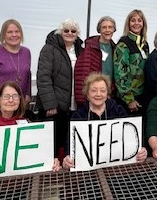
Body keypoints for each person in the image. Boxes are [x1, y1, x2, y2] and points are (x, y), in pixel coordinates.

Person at [62, 73, 147, 169]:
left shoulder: (118, 110)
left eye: (102, 91)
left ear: (107, 94)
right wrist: (67, 160)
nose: (98, 94)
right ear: (87, 94)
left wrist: (141, 151)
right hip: (88, 171)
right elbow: (69, 145)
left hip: (116, 169)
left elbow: (131, 138)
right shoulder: (78, 115)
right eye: (93, 91)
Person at [35, 18, 84, 160]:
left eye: (73, 31)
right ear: (60, 32)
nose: (69, 33)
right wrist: (50, 104)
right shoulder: (49, 49)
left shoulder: (81, 50)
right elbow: (43, 77)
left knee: (70, 145)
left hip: (74, 105)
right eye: (66, 30)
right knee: (52, 146)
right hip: (55, 106)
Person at [74, 16, 116, 105]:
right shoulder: (90, 47)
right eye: (104, 27)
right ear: (99, 30)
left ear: (114, 30)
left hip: (109, 94)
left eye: (110, 27)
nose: (107, 30)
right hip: (94, 95)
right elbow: (83, 73)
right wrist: (83, 99)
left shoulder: (115, 48)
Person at [114, 9, 149, 115]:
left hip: (142, 96)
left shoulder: (145, 45)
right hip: (129, 100)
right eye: (133, 20)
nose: (136, 23)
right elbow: (120, 74)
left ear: (143, 23)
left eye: (139, 20)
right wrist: (129, 99)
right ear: (128, 23)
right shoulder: (123, 44)